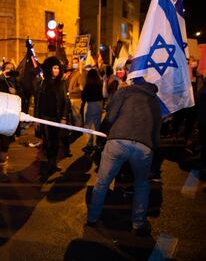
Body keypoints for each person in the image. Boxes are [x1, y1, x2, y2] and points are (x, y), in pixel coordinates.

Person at [87, 79, 161, 236]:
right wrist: (152, 149)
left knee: (103, 182)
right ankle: (138, 223)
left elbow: (111, 116)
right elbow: (156, 131)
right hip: (143, 145)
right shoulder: (155, 100)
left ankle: (92, 218)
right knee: (141, 184)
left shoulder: (125, 91)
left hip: (118, 140)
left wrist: (103, 136)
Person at [35, 57, 66, 173]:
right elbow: (38, 102)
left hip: (57, 118)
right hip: (45, 117)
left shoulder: (62, 83)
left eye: (58, 68)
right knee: (48, 141)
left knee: (56, 141)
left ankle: (54, 161)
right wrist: (37, 119)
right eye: (54, 68)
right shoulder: (42, 83)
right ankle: (50, 161)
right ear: (49, 69)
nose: (56, 70)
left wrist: (63, 117)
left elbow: (65, 101)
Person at [0, 61, 19, 165]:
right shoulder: (0, 80)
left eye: (11, 69)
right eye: (7, 68)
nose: (9, 71)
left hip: (10, 112)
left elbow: (23, 96)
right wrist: (0, 78)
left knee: (6, 135)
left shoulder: (16, 81)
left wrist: (15, 93)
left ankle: (3, 155)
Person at [81, 69, 103, 153]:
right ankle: (98, 144)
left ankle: (89, 144)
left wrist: (82, 90)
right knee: (97, 125)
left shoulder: (88, 85)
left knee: (88, 126)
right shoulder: (100, 84)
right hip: (98, 105)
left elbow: (84, 97)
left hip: (90, 105)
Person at [67, 57, 86, 127]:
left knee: (76, 115)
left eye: (76, 62)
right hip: (71, 97)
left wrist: (70, 91)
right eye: (73, 62)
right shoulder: (73, 72)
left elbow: (81, 87)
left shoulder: (80, 73)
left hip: (76, 98)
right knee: (73, 116)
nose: (74, 64)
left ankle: (78, 130)